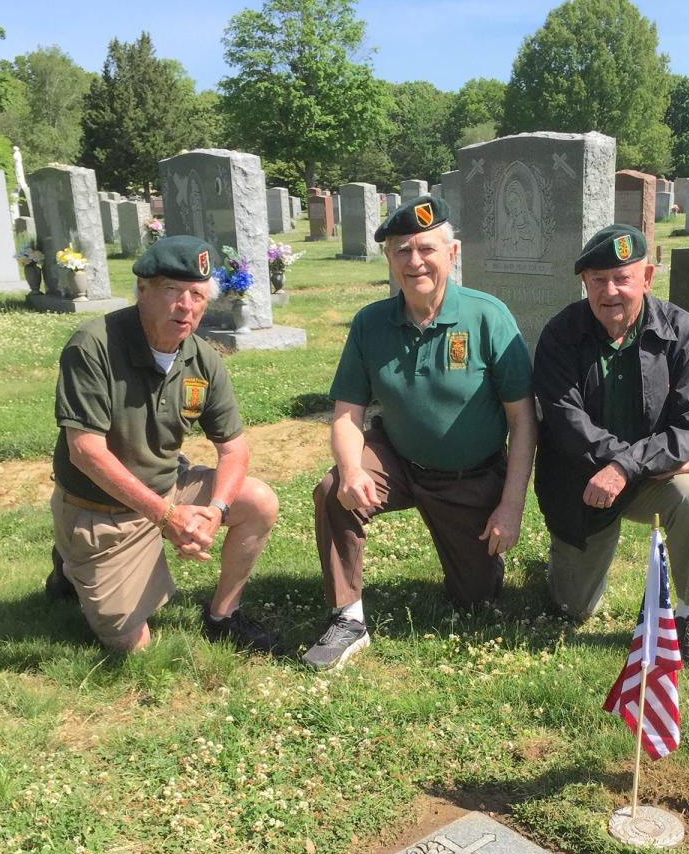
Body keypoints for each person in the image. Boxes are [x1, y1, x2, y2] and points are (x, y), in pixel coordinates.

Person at [303, 194, 537, 671]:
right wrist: (350, 469)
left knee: (477, 602)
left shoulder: (487, 316)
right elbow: (347, 410)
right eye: (401, 250)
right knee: (332, 490)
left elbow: (523, 420)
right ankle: (347, 618)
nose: (415, 261)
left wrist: (511, 505)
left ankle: (478, 568)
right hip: (400, 461)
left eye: (426, 248)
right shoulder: (371, 323)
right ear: (388, 258)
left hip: (469, 478)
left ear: (452, 254)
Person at [46, 234, 279, 654]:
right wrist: (166, 517)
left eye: (196, 294)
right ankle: (71, 564)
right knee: (135, 646)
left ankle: (222, 615)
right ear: (143, 289)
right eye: (172, 290)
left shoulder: (202, 357)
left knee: (258, 500)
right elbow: (84, 450)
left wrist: (215, 510)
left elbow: (234, 448)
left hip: (166, 487)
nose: (185, 305)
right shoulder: (94, 346)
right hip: (103, 511)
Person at [533, 223, 689, 666]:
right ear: (585, 283)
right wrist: (630, 464)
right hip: (583, 484)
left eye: (623, 278)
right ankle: (566, 567)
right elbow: (566, 422)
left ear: (647, 278)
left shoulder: (682, 331)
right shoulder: (560, 335)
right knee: (572, 608)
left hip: (652, 476)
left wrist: (629, 466)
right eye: (598, 280)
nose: (610, 291)